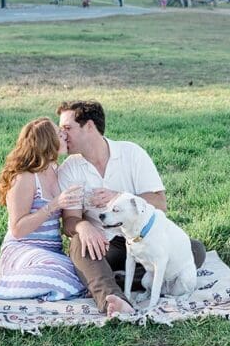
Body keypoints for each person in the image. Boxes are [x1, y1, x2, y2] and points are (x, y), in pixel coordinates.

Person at [57, 100, 206, 317]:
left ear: (89, 126)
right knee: (80, 246)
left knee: (193, 251)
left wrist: (118, 197)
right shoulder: (69, 169)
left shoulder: (131, 153)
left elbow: (159, 203)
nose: (62, 136)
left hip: (140, 240)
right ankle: (113, 298)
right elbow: (69, 220)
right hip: (102, 244)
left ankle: (115, 279)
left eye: (67, 128)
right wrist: (82, 226)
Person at [0, 118, 86, 301]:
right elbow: (18, 230)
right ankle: (1, 288)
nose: (65, 136)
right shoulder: (25, 178)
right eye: (60, 134)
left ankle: (39, 286)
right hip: (22, 249)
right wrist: (54, 205)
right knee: (60, 272)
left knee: (78, 271)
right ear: (48, 143)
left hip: (52, 254)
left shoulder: (57, 169)